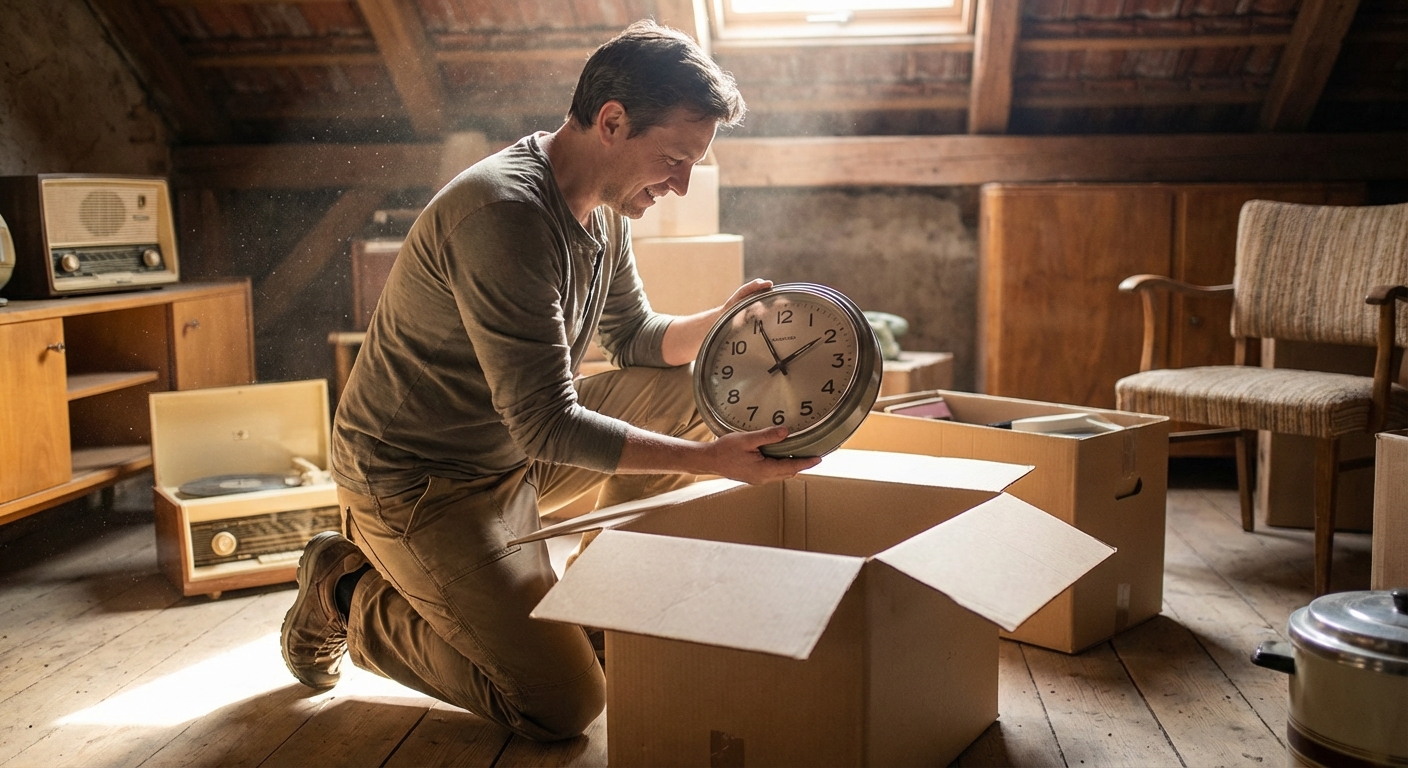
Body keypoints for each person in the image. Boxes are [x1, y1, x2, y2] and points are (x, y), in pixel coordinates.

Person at [279, 20, 821, 742]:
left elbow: (634, 339)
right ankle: (347, 593)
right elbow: (548, 424)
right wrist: (707, 463)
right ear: (612, 122)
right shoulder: (504, 215)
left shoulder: (607, 206)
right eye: (675, 159)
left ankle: (598, 607)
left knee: (697, 392)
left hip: (509, 452)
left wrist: (721, 320)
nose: (682, 184)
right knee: (563, 707)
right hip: (417, 482)